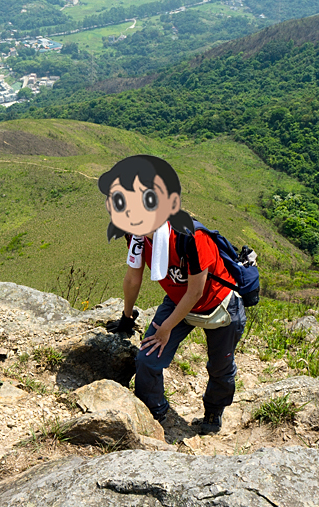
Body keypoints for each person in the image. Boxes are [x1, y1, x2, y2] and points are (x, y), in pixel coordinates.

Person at [98, 155, 246, 434]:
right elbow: (133, 277)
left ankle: (213, 414)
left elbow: (196, 291)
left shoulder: (191, 237)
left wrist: (165, 328)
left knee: (220, 368)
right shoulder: (136, 234)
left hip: (219, 307)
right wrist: (127, 317)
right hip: (180, 302)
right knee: (146, 359)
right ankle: (155, 412)